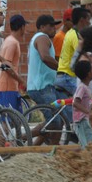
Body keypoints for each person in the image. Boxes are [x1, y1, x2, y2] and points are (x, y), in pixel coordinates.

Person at [27, 14, 61, 145]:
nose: (54, 28)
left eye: (55, 25)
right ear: (41, 27)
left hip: (41, 87)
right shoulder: (42, 37)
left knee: (51, 120)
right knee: (56, 121)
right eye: (51, 25)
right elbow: (45, 57)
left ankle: (32, 149)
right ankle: (54, 151)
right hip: (42, 87)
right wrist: (61, 68)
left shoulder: (38, 38)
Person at [55, 7, 91, 96]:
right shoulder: (76, 35)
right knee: (86, 97)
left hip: (62, 76)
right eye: (88, 20)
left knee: (69, 109)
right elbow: (81, 55)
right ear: (82, 20)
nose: (90, 23)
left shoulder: (70, 32)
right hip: (68, 77)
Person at [0, 14, 27, 112]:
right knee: (7, 122)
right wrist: (21, 81)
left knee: (13, 121)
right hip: (7, 87)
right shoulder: (12, 43)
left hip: (9, 86)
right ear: (22, 27)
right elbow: (6, 67)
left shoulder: (9, 40)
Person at [73, 60, 92, 149]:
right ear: (88, 74)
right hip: (80, 121)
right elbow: (76, 103)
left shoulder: (85, 87)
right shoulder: (82, 87)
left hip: (83, 119)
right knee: (85, 143)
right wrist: (87, 111)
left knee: (90, 139)